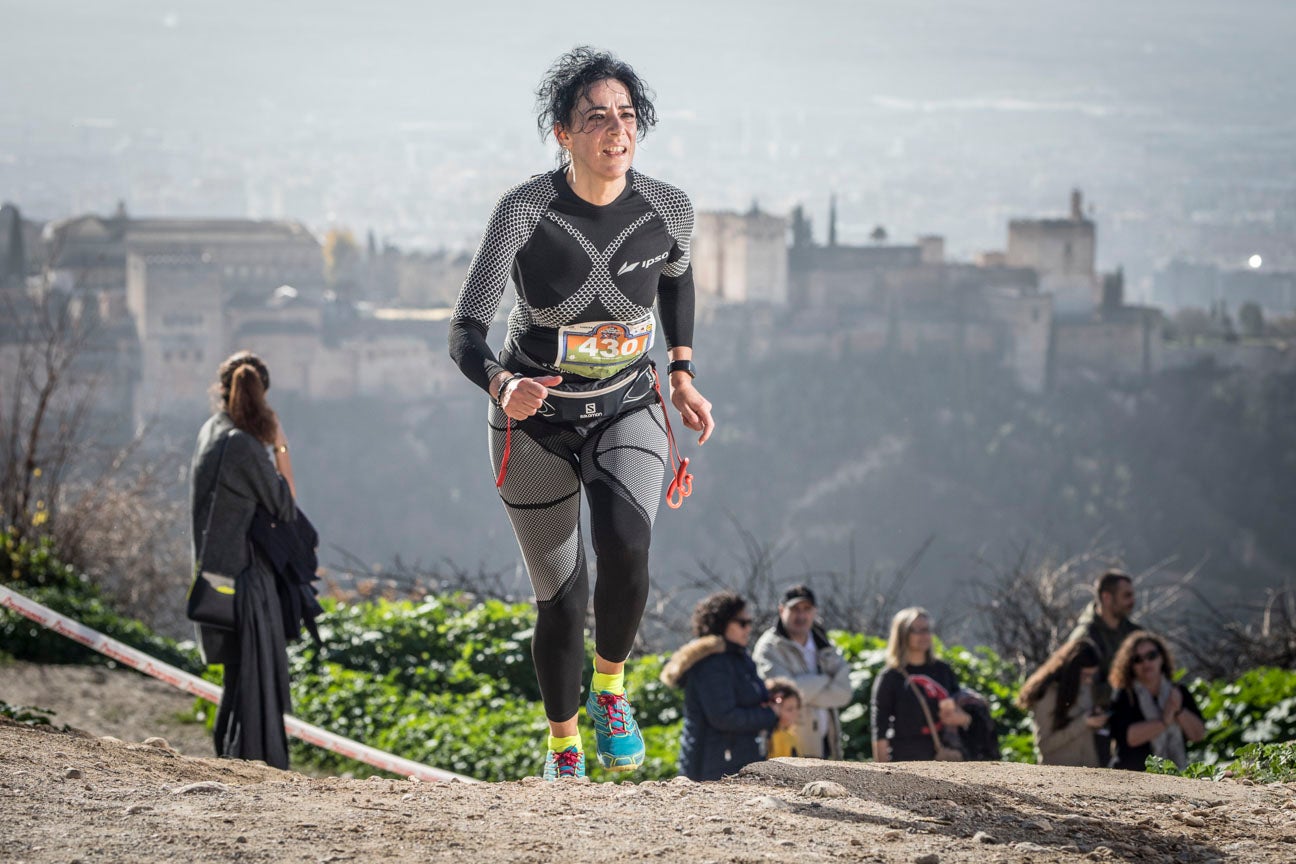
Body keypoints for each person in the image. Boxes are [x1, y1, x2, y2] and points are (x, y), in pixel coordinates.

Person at [447, 47, 714, 780]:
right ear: (563, 133)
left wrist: (682, 372)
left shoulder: (669, 208)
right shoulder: (524, 211)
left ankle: (611, 690)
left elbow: (677, 281)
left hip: (628, 405)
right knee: (561, 596)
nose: (615, 130)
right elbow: (464, 329)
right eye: (595, 118)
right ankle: (564, 745)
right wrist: (502, 384)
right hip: (533, 423)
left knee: (628, 544)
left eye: (626, 115)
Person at [190, 351, 297, 769]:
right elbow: (286, 504)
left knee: (236, 678)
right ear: (261, 395)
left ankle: (229, 758)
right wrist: (279, 443)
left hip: (212, 576)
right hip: (244, 582)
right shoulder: (243, 447)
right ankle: (242, 763)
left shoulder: (210, 432)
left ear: (222, 391)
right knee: (247, 679)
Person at [660, 592, 791, 781]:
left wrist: (770, 701)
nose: (748, 628)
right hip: (712, 767)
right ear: (722, 623)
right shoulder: (712, 663)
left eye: (749, 622)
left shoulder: (738, 656)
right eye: (742, 623)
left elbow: (748, 699)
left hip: (734, 759)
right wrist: (771, 714)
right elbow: (724, 717)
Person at [752, 584, 853, 760]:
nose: (801, 615)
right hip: (791, 747)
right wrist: (824, 679)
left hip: (827, 741)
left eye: (807, 609)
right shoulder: (769, 647)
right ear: (781, 610)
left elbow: (844, 694)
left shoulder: (823, 643)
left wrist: (804, 688)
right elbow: (784, 697)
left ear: (815, 612)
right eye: (795, 609)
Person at [871, 607, 971, 762]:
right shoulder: (890, 676)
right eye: (917, 630)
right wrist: (883, 770)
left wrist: (962, 719)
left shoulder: (943, 670)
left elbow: (961, 708)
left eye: (927, 629)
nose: (924, 635)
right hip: (905, 758)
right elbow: (880, 726)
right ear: (902, 634)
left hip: (944, 755)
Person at [1107, 631, 1205, 771]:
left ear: (1162, 657)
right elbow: (1128, 738)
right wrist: (1164, 721)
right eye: (1137, 659)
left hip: (1177, 773)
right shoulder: (1124, 695)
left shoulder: (1178, 692)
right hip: (1131, 776)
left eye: (1151, 656)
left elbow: (1198, 735)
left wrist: (1178, 710)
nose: (1146, 663)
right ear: (1130, 665)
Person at [1015, 640, 1107, 767]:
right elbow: (1044, 746)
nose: (1089, 681)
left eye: (1092, 675)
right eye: (1085, 675)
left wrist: (1095, 719)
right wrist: (1083, 723)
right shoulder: (1047, 694)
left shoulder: (1085, 686)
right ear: (1072, 670)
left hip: (1089, 769)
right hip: (1058, 772)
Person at [1068, 570, 1141, 710]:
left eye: (1132, 595)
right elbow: (1082, 690)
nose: (1132, 601)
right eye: (1126, 596)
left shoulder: (1135, 633)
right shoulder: (1084, 638)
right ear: (1106, 597)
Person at [764, 678, 804, 759]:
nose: (796, 713)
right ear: (773, 709)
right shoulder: (769, 738)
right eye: (789, 709)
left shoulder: (790, 734)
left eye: (797, 707)